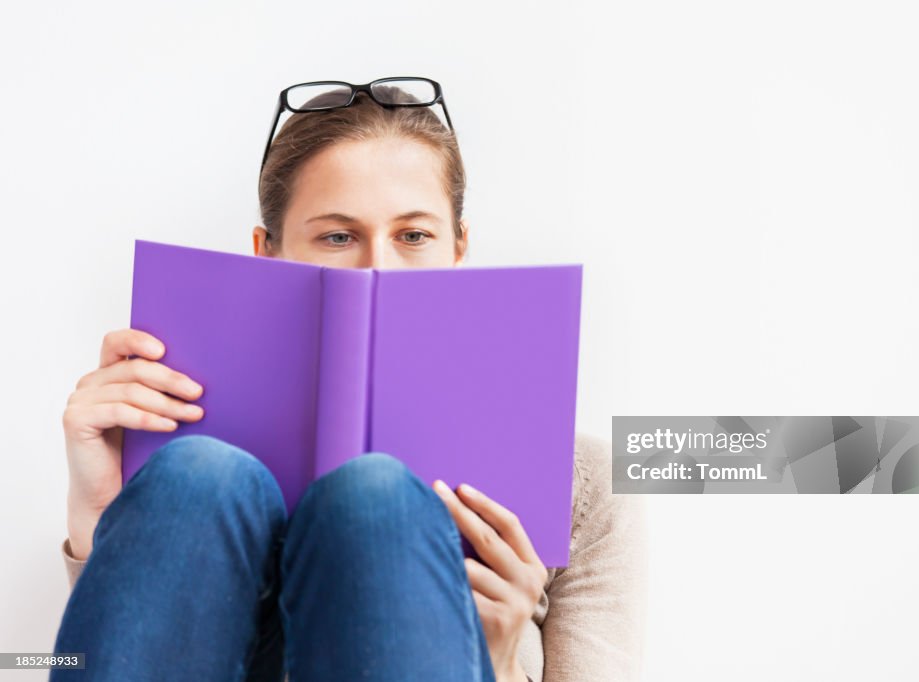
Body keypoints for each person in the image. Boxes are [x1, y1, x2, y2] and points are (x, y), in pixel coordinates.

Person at [54, 78, 647, 681]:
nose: (377, 267)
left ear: (458, 248)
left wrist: (493, 654)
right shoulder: (161, 454)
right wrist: (103, 519)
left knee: (373, 497)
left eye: (413, 235)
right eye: (338, 236)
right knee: (196, 474)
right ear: (268, 252)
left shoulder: (588, 486)